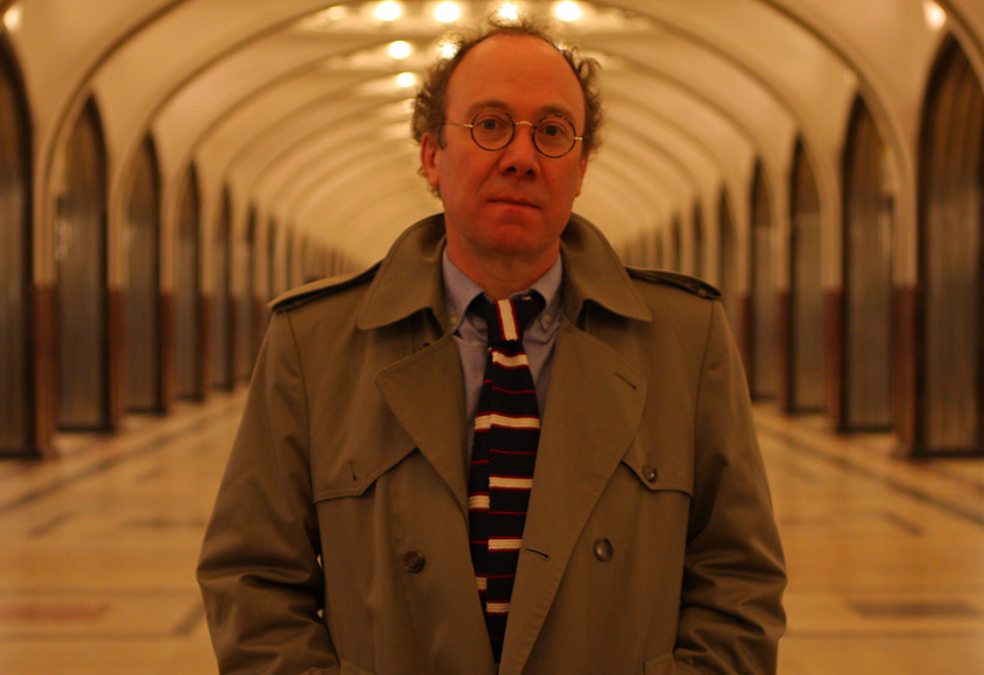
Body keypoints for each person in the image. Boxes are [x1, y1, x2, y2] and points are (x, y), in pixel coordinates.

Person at [198, 19, 786, 675]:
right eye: (490, 125)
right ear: (432, 155)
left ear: (581, 168)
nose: (521, 157)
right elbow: (253, 581)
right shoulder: (316, 343)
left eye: (553, 132)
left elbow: (739, 579)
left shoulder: (683, 339)